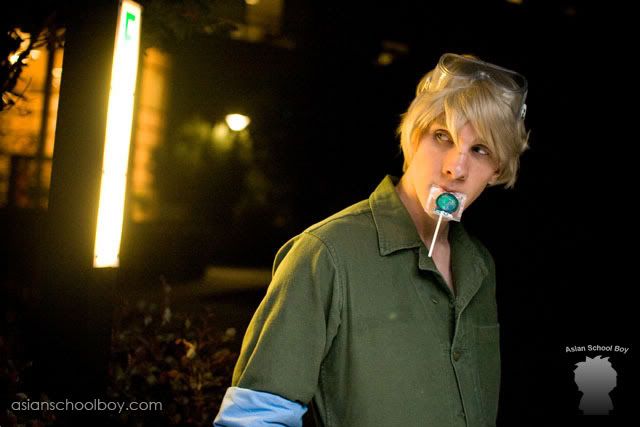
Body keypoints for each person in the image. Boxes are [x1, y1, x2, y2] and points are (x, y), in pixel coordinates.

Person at [213, 52, 530, 427]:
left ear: (496, 170)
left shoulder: (479, 265)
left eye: (480, 150)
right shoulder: (326, 254)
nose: (455, 168)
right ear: (414, 137)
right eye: (442, 136)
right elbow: (252, 419)